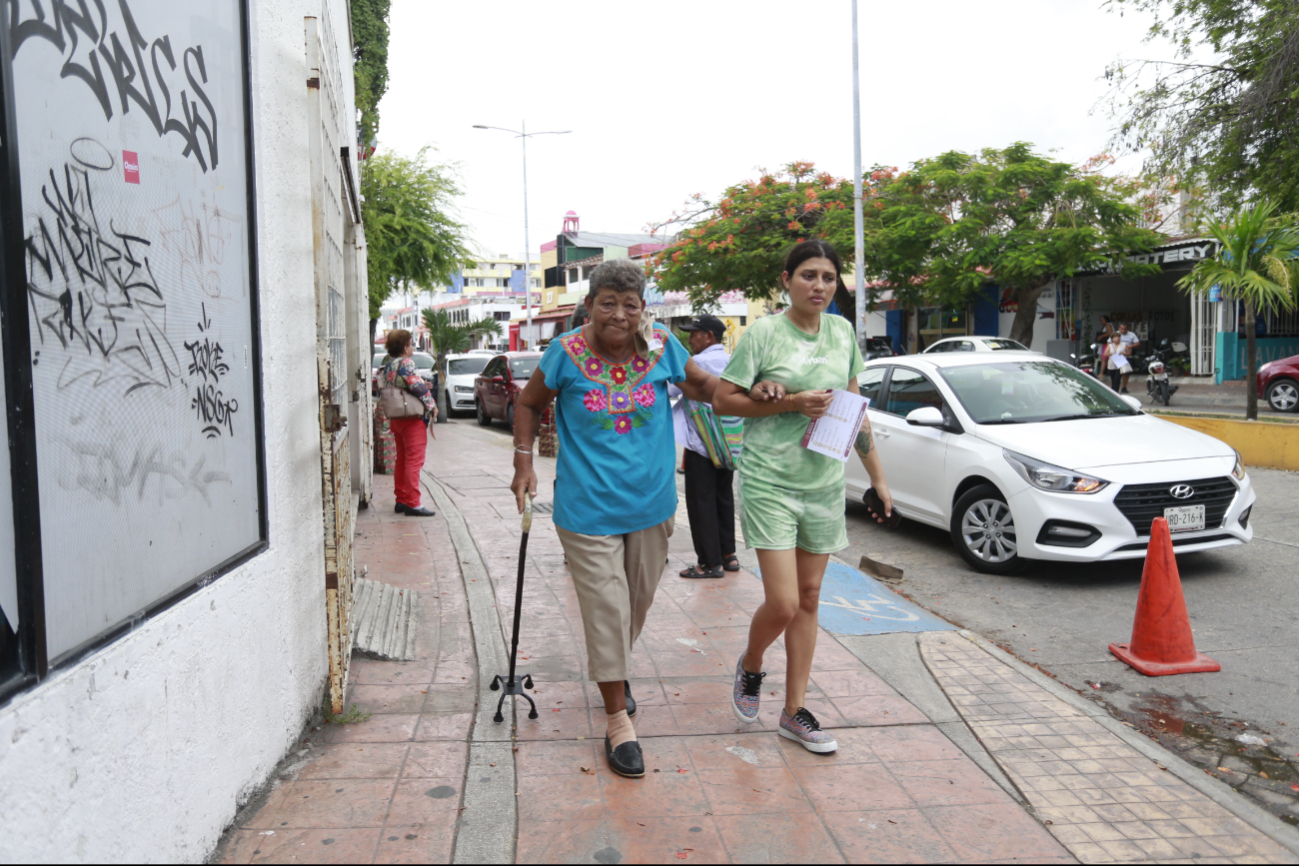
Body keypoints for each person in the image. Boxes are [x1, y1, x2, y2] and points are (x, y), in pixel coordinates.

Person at [510, 258, 718, 779]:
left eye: (630, 305)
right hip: (585, 509)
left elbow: (704, 388)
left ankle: (613, 670)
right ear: (590, 306)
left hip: (652, 505)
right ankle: (616, 719)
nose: (619, 315)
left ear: (642, 309)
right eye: (608, 303)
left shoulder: (665, 346)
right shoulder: (566, 352)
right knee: (607, 607)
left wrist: (758, 392)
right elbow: (530, 404)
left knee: (634, 605)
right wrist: (522, 460)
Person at [712, 240, 893, 754]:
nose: (819, 286)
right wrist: (791, 402)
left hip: (824, 483)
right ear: (787, 279)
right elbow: (725, 399)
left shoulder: (842, 333)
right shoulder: (765, 333)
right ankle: (751, 664)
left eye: (829, 278)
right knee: (785, 601)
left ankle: (794, 712)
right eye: (808, 276)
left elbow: (854, 409)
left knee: (810, 600)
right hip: (770, 480)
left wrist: (878, 476)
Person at [670, 315, 739, 579]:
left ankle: (709, 563)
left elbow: (673, 390)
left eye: (694, 333)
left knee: (701, 502)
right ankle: (728, 555)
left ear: (709, 336)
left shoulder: (697, 363)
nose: (690, 338)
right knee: (723, 497)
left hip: (701, 443)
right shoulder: (731, 361)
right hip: (728, 443)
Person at [380, 329, 437, 517]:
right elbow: (416, 386)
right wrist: (431, 405)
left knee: (402, 460)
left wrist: (421, 384)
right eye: (411, 344)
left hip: (397, 418)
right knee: (414, 461)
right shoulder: (406, 363)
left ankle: (402, 499)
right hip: (412, 419)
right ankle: (413, 503)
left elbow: (402, 386)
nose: (412, 347)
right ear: (405, 347)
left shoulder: (389, 364)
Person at [1117, 323, 1141, 393]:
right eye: (1122, 329)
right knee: (1118, 373)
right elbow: (1109, 343)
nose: (1123, 331)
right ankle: (1115, 387)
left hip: (1128, 356)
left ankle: (1124, 387)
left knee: (1126, 373)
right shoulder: (1116, 334)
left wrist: (1129, 346)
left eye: (1125, 329)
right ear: (1119, 329)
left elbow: (1138, 344)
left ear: (1128, 329)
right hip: (1118, 356)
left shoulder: (1132, 334)